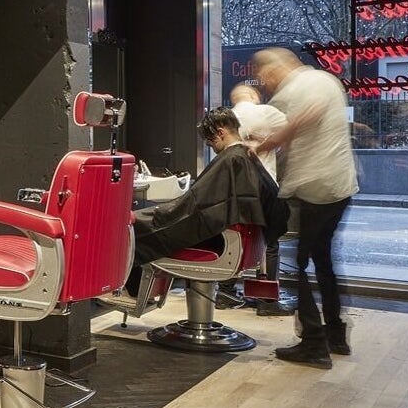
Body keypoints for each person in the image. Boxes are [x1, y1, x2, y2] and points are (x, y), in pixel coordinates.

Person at [252, 47, 358, 369]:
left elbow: (305, 116)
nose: (264, 83)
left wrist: (266, 144)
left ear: (272, 71)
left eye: (262, 77)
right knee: (323, 260)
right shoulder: (326, 79)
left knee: (297, 264)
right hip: (341, 186)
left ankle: (313, 343)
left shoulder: (293, 89)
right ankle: (335, 335)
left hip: (315, 187)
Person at [131, 107, 287, 271]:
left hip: (221, 245)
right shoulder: (247, 156)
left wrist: (140, 218)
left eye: (210, 142)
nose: (212, 148)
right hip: (246, 245)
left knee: (136, 232)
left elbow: (193, 207)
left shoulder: (231, 159)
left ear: (220, 133)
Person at [218, 84, 292, 315]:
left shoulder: (228, 118)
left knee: (235, 236)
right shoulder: (267, 112)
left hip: (235, 189)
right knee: (269, 241)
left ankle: (226, 292)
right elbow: (292, 132)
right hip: (264, 186)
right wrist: (269, 144)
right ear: (253, 96)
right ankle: (266, 301)